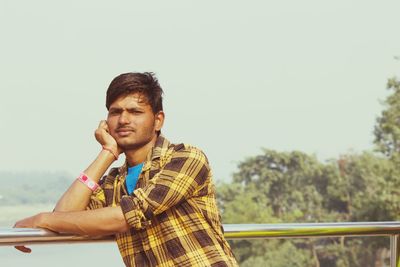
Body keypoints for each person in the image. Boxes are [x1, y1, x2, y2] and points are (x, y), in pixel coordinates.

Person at [14, 72, 238, 267]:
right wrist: (107, 153)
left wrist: (41, 218)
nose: (123, 120)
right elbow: (64, 217)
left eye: (135, 111)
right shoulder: (112, 184)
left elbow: (132, 213)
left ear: (158, 120)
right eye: (115, 112)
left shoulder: (185, 158)